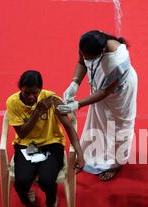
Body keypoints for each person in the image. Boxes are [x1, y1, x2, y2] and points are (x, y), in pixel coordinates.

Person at [57, 30, 138, 181]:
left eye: (90, 58)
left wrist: (78, 104)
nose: (85, 58)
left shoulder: (116, 63)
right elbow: (82, 62)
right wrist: (74, 83)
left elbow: (106, 91)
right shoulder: (87, 44)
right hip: (102, 82)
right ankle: (97, 152)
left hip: (120, 92)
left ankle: (116, 163)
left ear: (101, 52)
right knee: (100, 120)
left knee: (118, 125)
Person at [6, 70, 85, 207]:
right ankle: (29, 203)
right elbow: (22, 133)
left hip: (51, 144)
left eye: (35, 93)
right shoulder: (12, 102)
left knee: (47, 180)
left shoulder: (52, 99)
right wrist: (38, 112)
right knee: (21, 182)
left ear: (41, 90)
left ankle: (50, 205)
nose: (30, 97)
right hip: (26, 145)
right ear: (20, 88)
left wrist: (80, 154)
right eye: (26, 92)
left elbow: (69, 127)